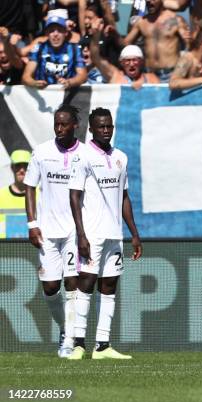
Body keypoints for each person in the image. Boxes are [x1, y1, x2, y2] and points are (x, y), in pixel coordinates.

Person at [67, 108, 142, 360]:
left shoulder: (121, 156)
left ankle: (102, 345)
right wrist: (81, 234)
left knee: (109, 286)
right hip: (92, 233)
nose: (106, 130)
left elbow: (124, 196)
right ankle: (77, 343)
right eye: (101, 127)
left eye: (109, 126)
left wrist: (134, 233)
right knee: (86, 283)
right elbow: (74, 197)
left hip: (114, 234)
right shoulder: (83, 156)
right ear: (91, 129)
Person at [23, 105, 84, 358]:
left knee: (72, 283)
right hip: (47, 230)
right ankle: (64, 326)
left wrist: (85, 231)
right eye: (56, 124)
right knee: (50, 287)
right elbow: (29, 187)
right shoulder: (42, 151)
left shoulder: (85, 154)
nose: (59, 129)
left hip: (73, 230)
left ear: (74, 126)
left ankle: (68, 339)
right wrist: (32, 224)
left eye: (64, 124)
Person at [123, 0, 191, 82]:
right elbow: (125, 44)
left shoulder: (176, 20)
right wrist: (114, 34)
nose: (149, 1)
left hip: (171, 76)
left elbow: (190, 48)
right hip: (149, 76)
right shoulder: (142, 22)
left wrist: (181, 71)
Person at [89, 18, 160, 88]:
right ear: (121, 62)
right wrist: (96, 36)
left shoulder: (151, 79)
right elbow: (95, 57)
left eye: (135, 60)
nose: (131, 64)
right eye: (127, 61)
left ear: (141, 62)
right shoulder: (115, 76)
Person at [21, 15, 87, 89]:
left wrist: (70, 82)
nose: (55, 34)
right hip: (43, 94)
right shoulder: (39, 48)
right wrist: (34, 83)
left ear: (66, 32)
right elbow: (26, 77)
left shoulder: (75, 49)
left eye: (59, 30)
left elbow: (82, 75)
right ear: (46, 33)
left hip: (67, 95)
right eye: (51, 31)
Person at [0, 150, 30, 239]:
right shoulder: (1, 196)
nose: (22, 170)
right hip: (5, 250)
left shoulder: (40, 196)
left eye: (25, 166)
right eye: (18, 166)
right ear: (12, 168)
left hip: (33, 250)